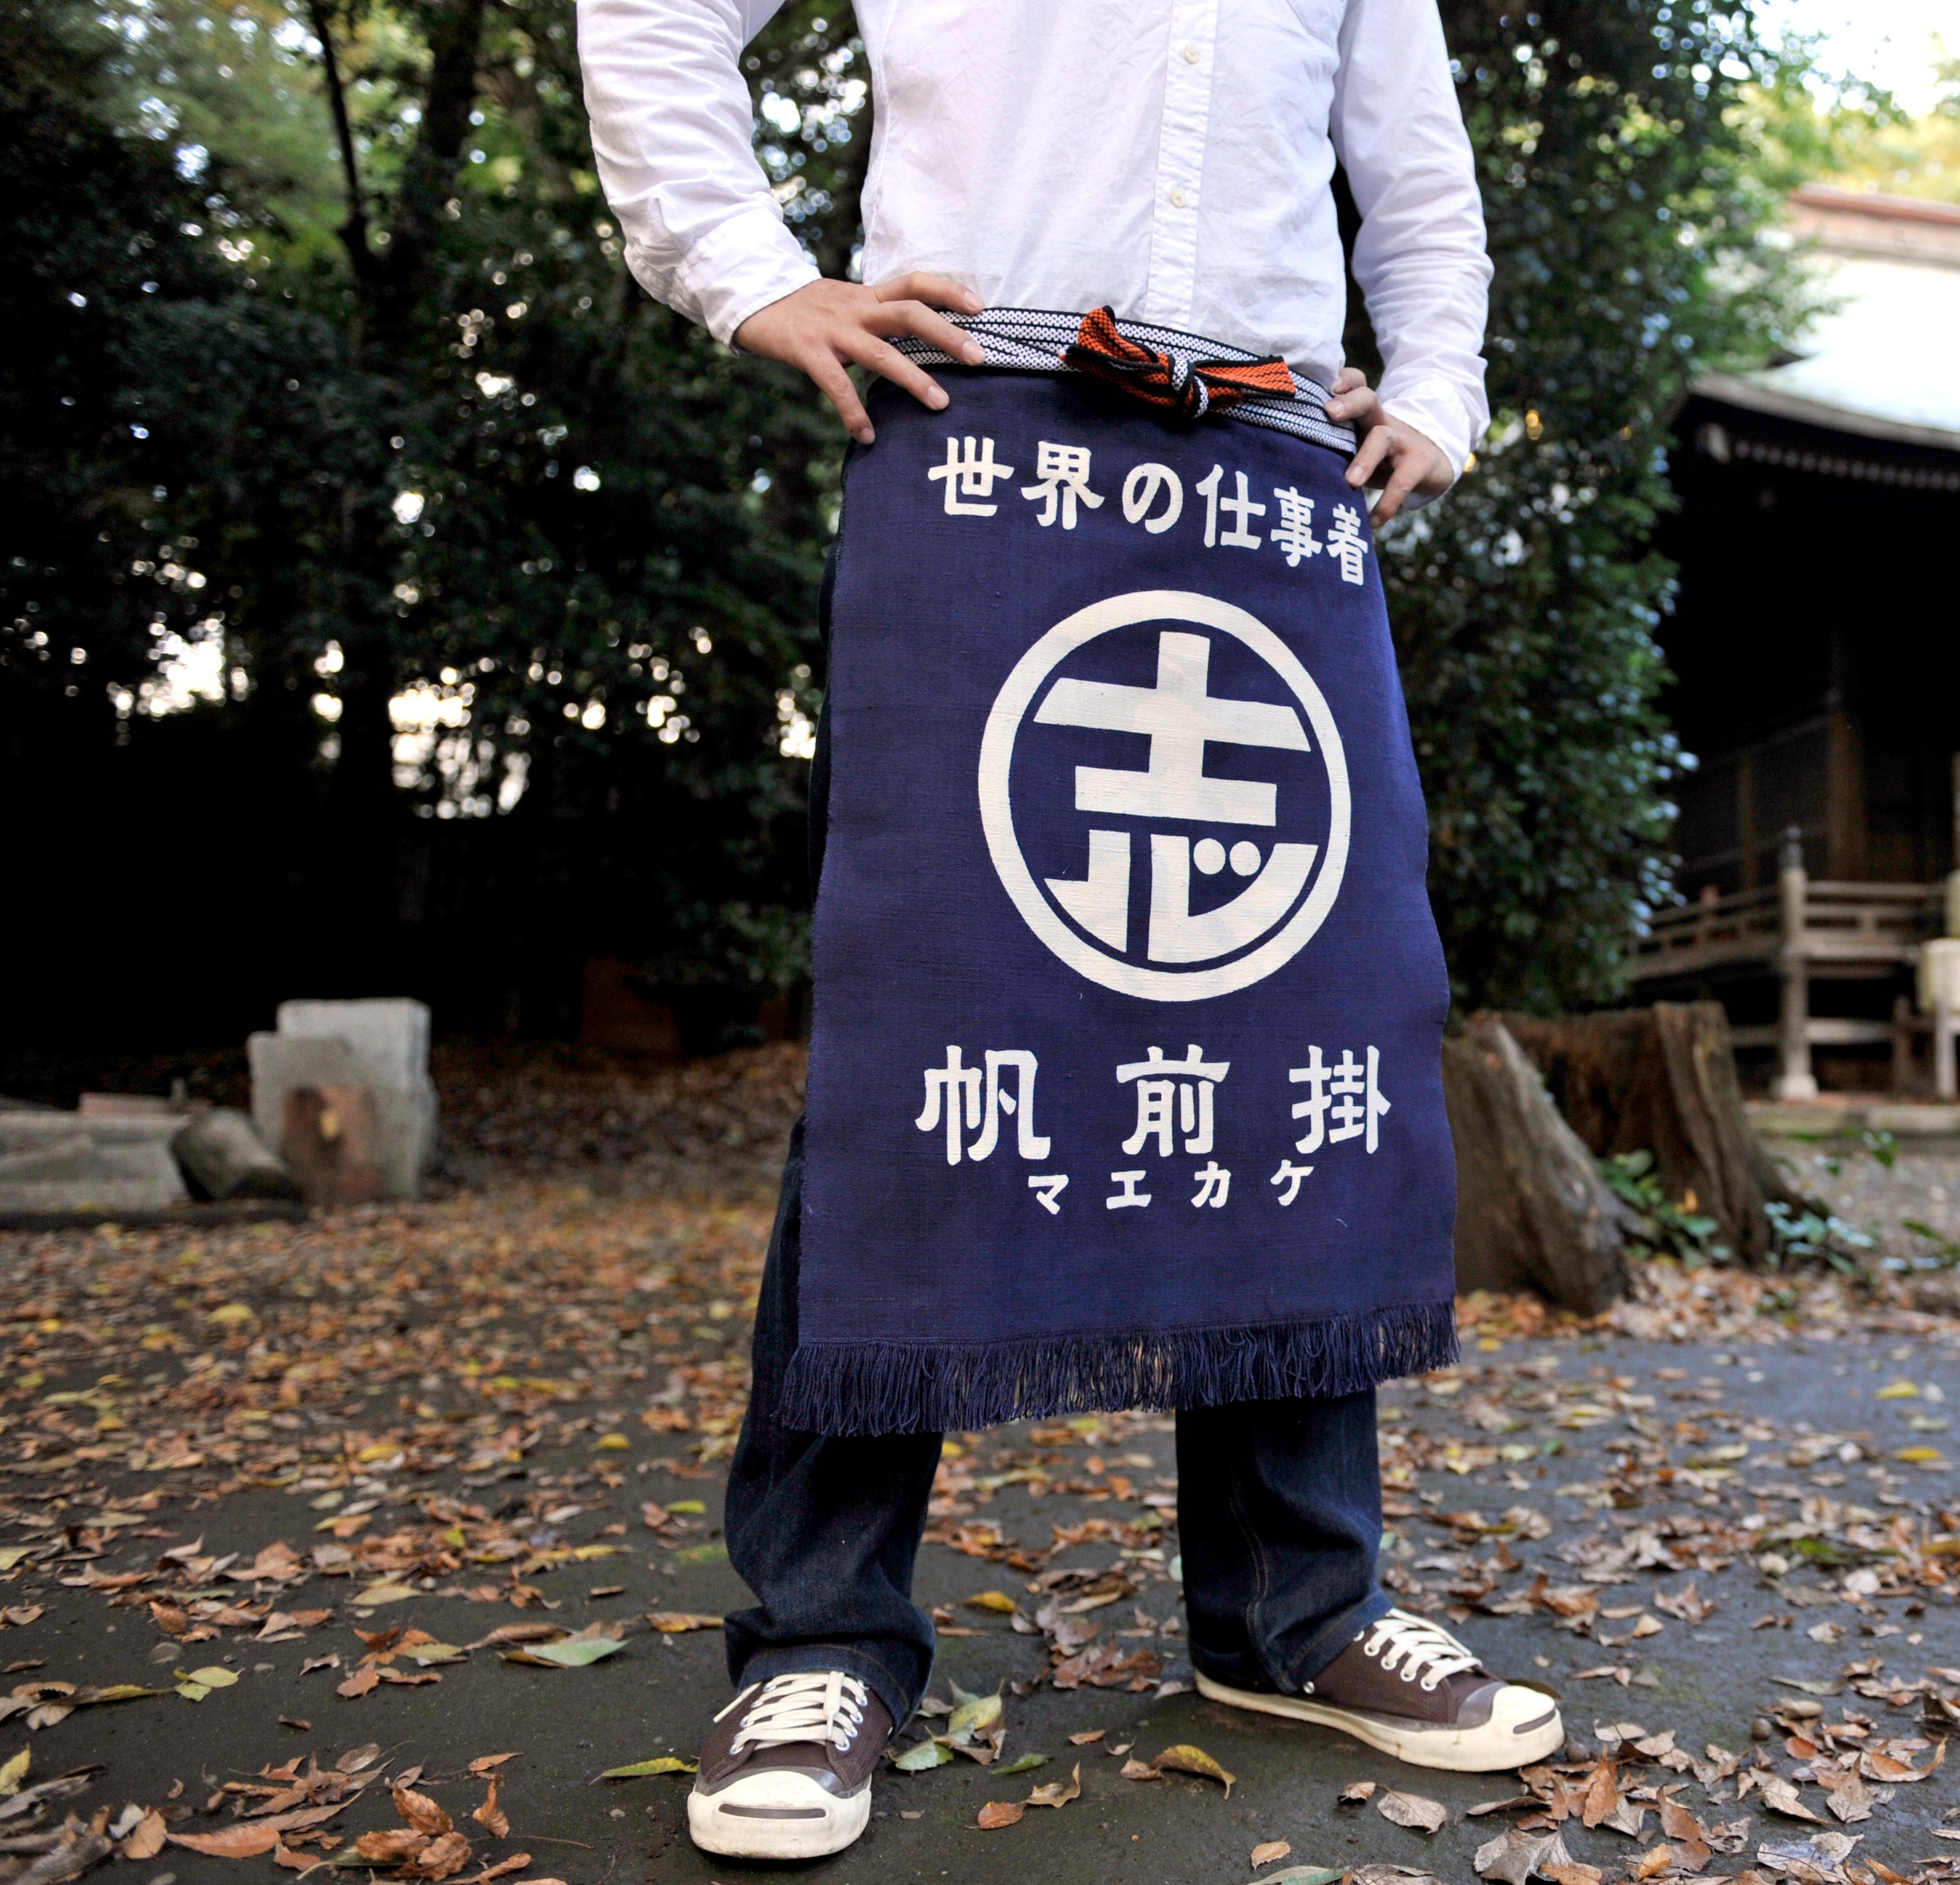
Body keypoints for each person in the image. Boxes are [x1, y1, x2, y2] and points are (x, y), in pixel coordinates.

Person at [577, 0, 1555, 1860]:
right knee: (926, 1025)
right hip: (984, 426)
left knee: (1288, 1036)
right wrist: (749, 271)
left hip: (1270, 457)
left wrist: (1437, 379)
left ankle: (1298, 1606)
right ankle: (826, 1634)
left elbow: (1412, 153)